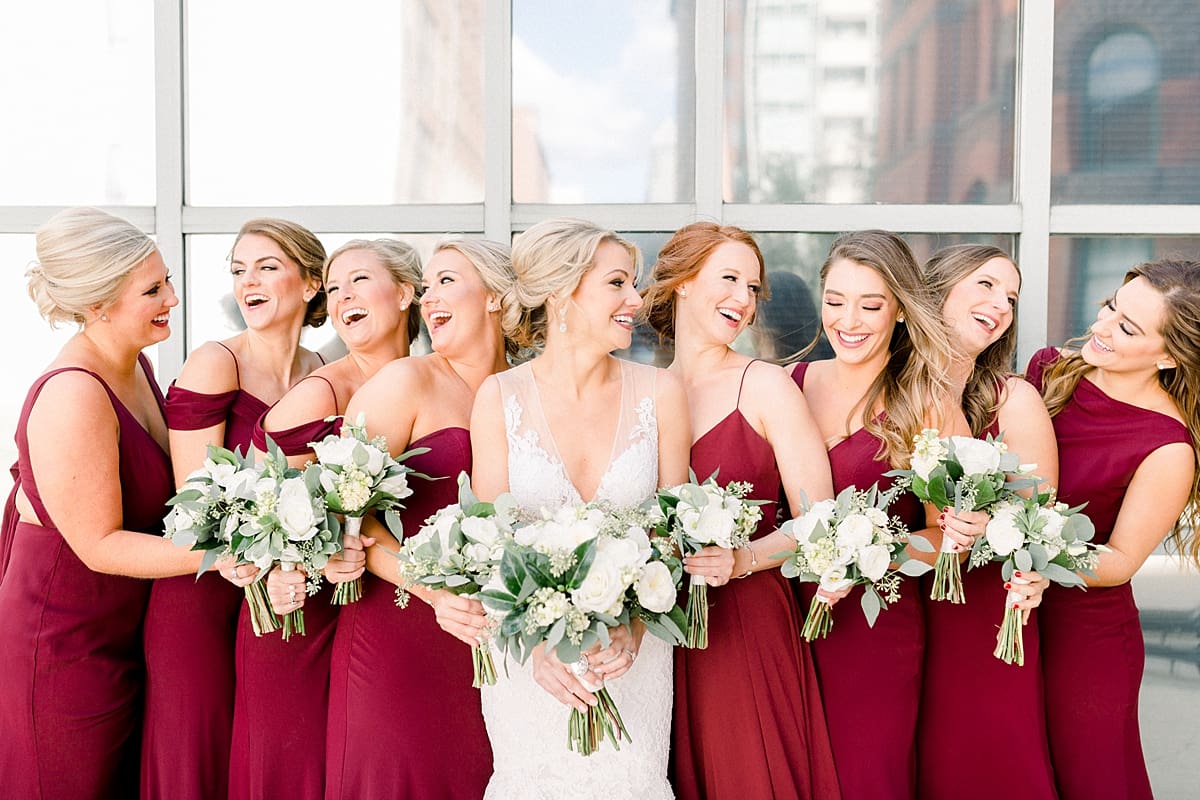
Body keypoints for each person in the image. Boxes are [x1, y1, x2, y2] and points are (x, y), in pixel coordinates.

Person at [469, 218, 691, 799]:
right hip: (529, 658)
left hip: (631, 655)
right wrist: (542, 644)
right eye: (617, 283)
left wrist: (638, 626)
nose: (636, 301)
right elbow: (493, 544)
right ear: (562, 292)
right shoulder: (499, 397)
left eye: (633, 284)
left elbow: (672, 533)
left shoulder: (661, 393)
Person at [640, 222, 841, 798]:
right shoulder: (641, 390)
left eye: (753, 288)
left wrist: (744, 558)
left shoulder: (766, 385)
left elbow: (819, 516)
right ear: (680, 282)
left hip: (745, 626)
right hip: (656, 631)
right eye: (729, 279)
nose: (744, 300)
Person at [0, 208, 188, 798]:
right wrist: (222, 555)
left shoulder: (138, 366)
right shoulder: (75, 393)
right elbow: (98, 545)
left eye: (167, 281)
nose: (172, 299)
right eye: (152, 290)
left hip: (121, 631)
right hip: (63, 645)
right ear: (99, 303)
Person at [140, 218, 327, 800]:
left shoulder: (321, 373)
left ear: (312, 283)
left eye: (267, 267)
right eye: (239, 270)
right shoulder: (216, 361)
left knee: (265, 759)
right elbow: (197, 500)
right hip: (201, 596)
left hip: (279, 596)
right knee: (197, 755)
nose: (250, 282)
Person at [323, 239, 514, 798]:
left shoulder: (528, 391)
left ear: (497, 297)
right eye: (426, 287)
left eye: (447, 282)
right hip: (401, 635)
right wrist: (434, 593)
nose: (430, 298)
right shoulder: (406, 382)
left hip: (500, 642)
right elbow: (345, 518)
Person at [232, 237, 421, 800]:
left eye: (359, 281)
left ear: (407, 294)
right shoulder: (321, 391)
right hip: (302, 615)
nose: (343, 298)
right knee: (295, 771)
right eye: (334, 288)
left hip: (380, 614)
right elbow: (256, 501)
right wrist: (283, 564)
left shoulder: (432, 379)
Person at [786, 230, 957, 800]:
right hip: (782, 620)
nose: (848, 320)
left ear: (902, 311)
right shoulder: (787, 385)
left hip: (875, 627)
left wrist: (872, 555)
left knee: (866, 778)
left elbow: (949, 536)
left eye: (870, 304)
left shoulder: (925, 402)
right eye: (835, 301)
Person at [1026, 258, 1199, 800]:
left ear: (1170, 356)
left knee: (1090, 782)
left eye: (1127, 328)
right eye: (1110, 307)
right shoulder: (1049, 370)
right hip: (1003, 615)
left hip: (1085, 640)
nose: (1099, 327)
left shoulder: (1166, 446)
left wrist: (1021, 547)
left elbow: (1121, 559)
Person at [916, 245, 1057, 800]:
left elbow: (1041, 521)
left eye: (1011, 297)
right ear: (938, 290)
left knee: (986, 765)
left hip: (980, 618)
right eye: (985, 285)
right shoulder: (890, 391)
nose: (1000, 305)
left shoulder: (1013, 399)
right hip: (894, 610)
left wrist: (991, 522)